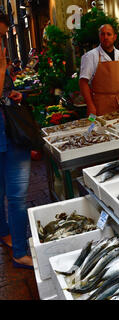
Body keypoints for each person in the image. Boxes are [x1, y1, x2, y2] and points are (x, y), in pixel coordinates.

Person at [0, 13, 33, 269]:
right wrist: (2, 68)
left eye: (2, 36)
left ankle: (7, 234)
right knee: (17, 196)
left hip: (7, 128)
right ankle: (21, 252)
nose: (1, 42)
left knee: (5, 192)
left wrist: (11, 95)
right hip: (7, 135)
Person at [79, 24, 119, 116]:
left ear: (114, 37)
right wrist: (90, 105)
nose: (105, 37)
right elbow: (83, 82)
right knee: (96, 128)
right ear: (99, 36)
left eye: (108, 34)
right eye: (102, 34)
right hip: (100, 105)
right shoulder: (90, 56)